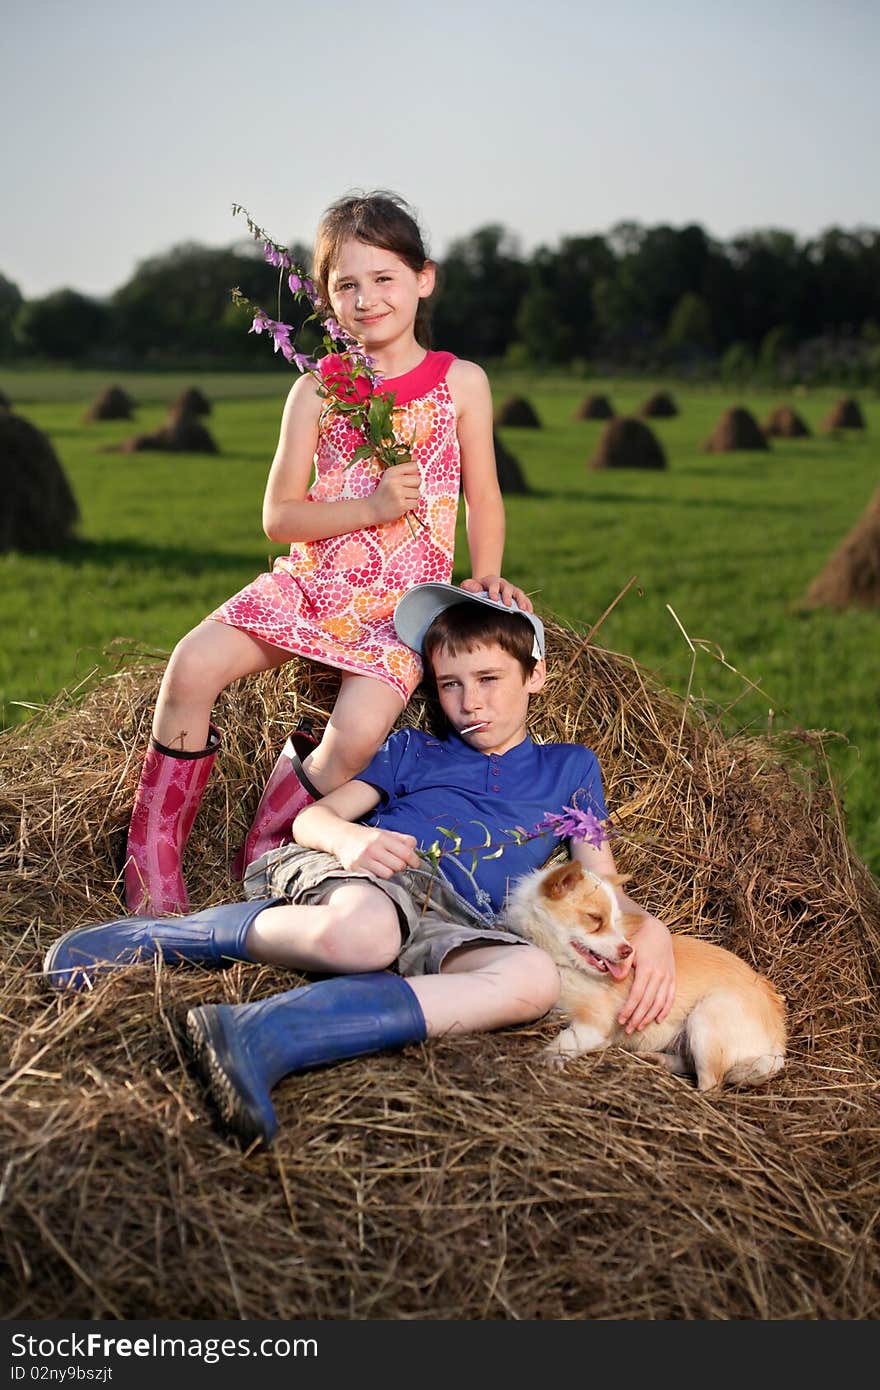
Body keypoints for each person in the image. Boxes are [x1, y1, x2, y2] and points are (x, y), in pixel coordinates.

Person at [45, 583, 676, 1150]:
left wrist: (659, 935)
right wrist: (350, 844)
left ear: (534, 676)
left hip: (459, 920)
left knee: (532, 979)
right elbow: (309, 821)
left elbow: (603, 884)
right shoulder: (414, 751)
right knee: (368, 936)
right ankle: (164, 937)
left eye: (489, 679)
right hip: (374, 880)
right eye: (450, 685)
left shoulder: (571, 770)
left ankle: (267, 1034)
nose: (468, 702)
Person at [124, 190, 529, 916]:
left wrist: (487, 574)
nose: (367, 298)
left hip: (402, 609)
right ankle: (153, 864)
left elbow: (484, 494)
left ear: (423, 279)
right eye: (346, 284)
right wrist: (370, 507)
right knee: (191, 665)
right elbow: (279, 517)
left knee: (356, 739)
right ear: (324, 297)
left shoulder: (461, 383)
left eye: (385, 279)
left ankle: (270, 851)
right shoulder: (316, 391)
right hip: (312, 584)